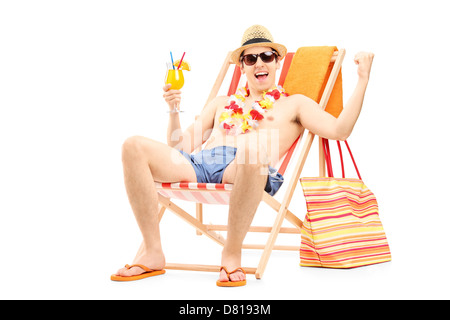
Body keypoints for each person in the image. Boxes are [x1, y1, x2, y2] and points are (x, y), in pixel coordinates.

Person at [111, 25, 374, 286]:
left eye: (267, 56)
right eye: (251, 58)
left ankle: (232, 252)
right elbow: (178, 149)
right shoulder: (221, 103)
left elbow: (340, 131)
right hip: (201, 165)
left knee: (252, 150)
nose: (259, 63)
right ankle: (153, 251)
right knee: (132, 145)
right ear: (242, 66)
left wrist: (362, 79)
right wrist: (173, 110)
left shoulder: (295, 104)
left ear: (277, 61)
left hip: (248, 167)